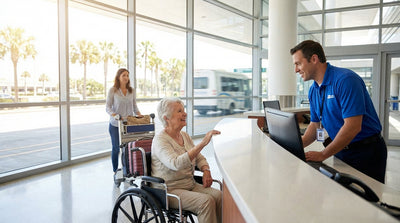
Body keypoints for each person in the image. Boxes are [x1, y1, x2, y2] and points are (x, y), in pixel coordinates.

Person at [290, 40, 387, 183]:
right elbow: (315, 125)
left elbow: (352, 126)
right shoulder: (313, 90)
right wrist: (296, 147)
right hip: (340, 150)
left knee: (366, 200)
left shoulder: (345, 80)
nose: (296, 70)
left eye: (298, 63)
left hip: (366, 151)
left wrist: (323, 154)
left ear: (314, 59)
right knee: (345, 197)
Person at [151, 97, 222, 223]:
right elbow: (175, 163)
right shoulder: (160, 140)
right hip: (169, 190)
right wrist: (203, 143)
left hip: (189, 184)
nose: (185, 114)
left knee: (220, 196)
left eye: (183, 110)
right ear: (166, 118)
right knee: (206, 202)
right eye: (179, 111)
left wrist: (206, 170)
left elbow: (198, 157)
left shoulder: (184, 135)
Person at [106, 68, 142, 175]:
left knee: (127, 149)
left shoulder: (132, 91)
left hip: (128, 124)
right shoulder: (113, 90)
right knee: (116, 148)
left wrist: (140, 116)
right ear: (118, 77)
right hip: (115, 124)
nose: (126, 78)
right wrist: (115, 115)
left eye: (127, 75)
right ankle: (115, 171)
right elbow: (108, 107)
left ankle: (127, 170)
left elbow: (134, 106)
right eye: (124, 75)